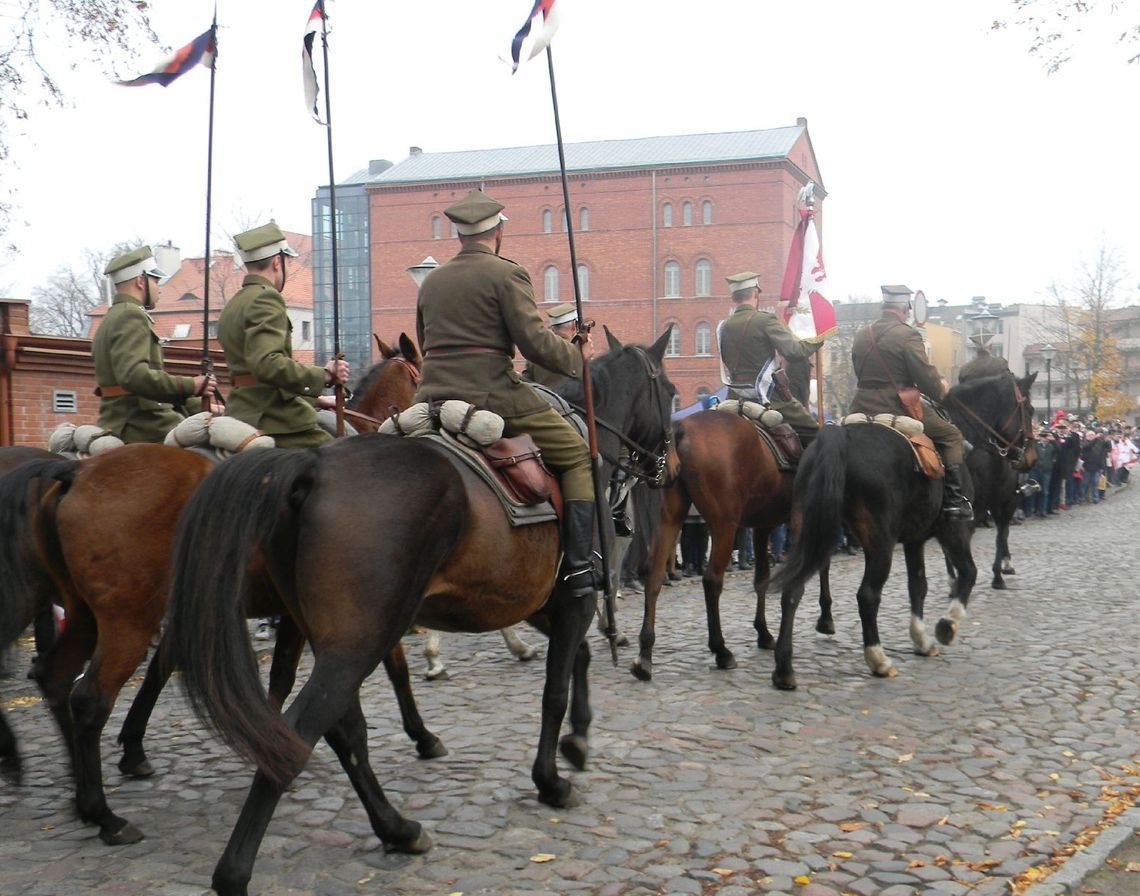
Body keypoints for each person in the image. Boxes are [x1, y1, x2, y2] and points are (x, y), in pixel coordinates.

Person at [412, 190, 599, 599]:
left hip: (429, 399)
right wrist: (577, 356)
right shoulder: (507, 274)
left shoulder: (432, 281)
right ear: (497, 231)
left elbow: (425, 342)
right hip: (493, 394)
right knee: (577, 455)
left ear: (460, 235)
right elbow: (533, 343)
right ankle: (579, 568)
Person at [218, 223, 350, 449]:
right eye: (288, 260)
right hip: (272, 417)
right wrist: (325, 375)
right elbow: (267, 363)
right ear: (278, 261)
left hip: (241, 409)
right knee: (344, 460)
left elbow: (252, 373)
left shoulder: (235, 303)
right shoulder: (266, 298)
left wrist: (314, 398)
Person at [850, 284, 972, 521]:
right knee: (952, 436)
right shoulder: (907, 335)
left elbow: (859, 370)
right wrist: (942, 392)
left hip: (860, 405)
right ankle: (954, 501)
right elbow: (925, 379)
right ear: (905, 308)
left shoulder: (862, 334)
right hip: (896, 406)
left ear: (884, 306)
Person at [93, 246, 215, 443]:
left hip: (120, 417)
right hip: (142, 422)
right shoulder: (131, 315)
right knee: (213, 449)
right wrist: (191, 385)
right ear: (141, 281)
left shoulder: (112, 317)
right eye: (155, 280)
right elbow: (134, 375)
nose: (159, 287)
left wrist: (195, 401)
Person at [716, 271, 824, 446]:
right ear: (755, 293)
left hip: (734, 397)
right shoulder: (764, 320)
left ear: (734, 297)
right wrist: (818, 340)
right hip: (770, 397)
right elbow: (794, 352)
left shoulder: (723, 327)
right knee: (816, 434)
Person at [522, 302, 579, 389]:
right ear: (574, 326)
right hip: (571, 401)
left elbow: (526, 381)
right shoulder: (577, 351)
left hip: (541, 401)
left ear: (553, 327)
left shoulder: (538, 350)